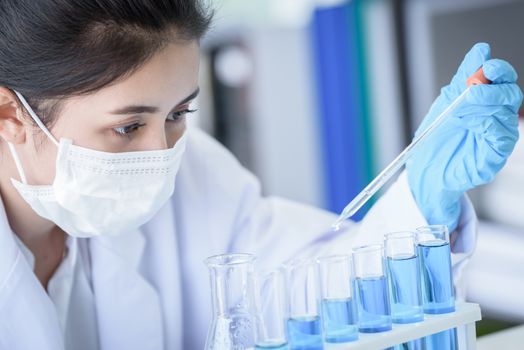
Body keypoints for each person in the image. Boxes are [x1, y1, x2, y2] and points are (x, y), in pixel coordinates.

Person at [0, 1, 521, 349]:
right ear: (10, 117)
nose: (161, 152)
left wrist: (423, 202)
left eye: (179, 114)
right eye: (129, 125)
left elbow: (297, 290)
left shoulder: (194, 167)